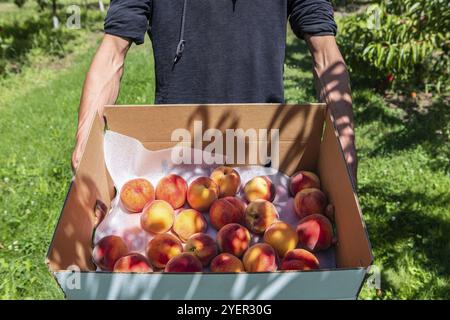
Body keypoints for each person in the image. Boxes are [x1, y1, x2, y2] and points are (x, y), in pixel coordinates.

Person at [71, 0, 357, 186]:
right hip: (176, 155)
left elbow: (325, 55)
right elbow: (112, 53)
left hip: (259, 151)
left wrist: (344, 148)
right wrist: (85, 147)